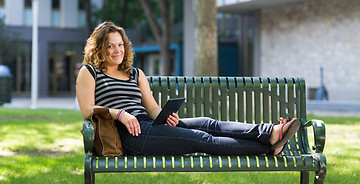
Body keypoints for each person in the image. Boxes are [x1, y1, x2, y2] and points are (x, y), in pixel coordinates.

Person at [76, 22, 300, 156]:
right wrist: (120, 114)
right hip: (128, 135)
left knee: (207, 123)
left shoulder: (135, 73)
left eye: (120, 45)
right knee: (200, 138)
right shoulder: (90, 72)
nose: (117, 50)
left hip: (148, 125)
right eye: (110, 46)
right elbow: (88, 111)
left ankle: (269, 133)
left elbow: (151, 108)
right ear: (99, 49)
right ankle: (269, 145)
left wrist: (166, 116)